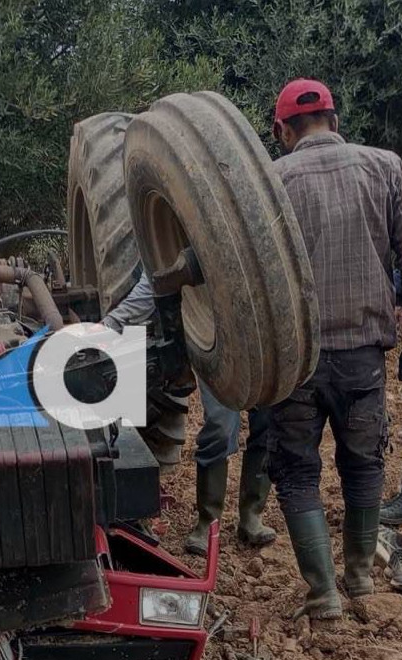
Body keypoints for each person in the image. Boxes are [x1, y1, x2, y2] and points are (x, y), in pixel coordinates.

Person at [268, 78, 402, 619]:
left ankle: (323, 593)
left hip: (296, 362)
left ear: (283, 130)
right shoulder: (387, 168)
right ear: (336, 120)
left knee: (297, 471)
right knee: (364, 465)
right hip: (364, 358)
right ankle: (361, 578)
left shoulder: (273, 182)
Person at [101, 273, 277, 556]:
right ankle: (208, 521)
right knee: (219, 427)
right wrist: (108, 326)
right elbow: (155, 280)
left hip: (261, 337)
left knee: (267, 424)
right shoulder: (187, 246)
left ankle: (251, 516)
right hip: (216, 341)